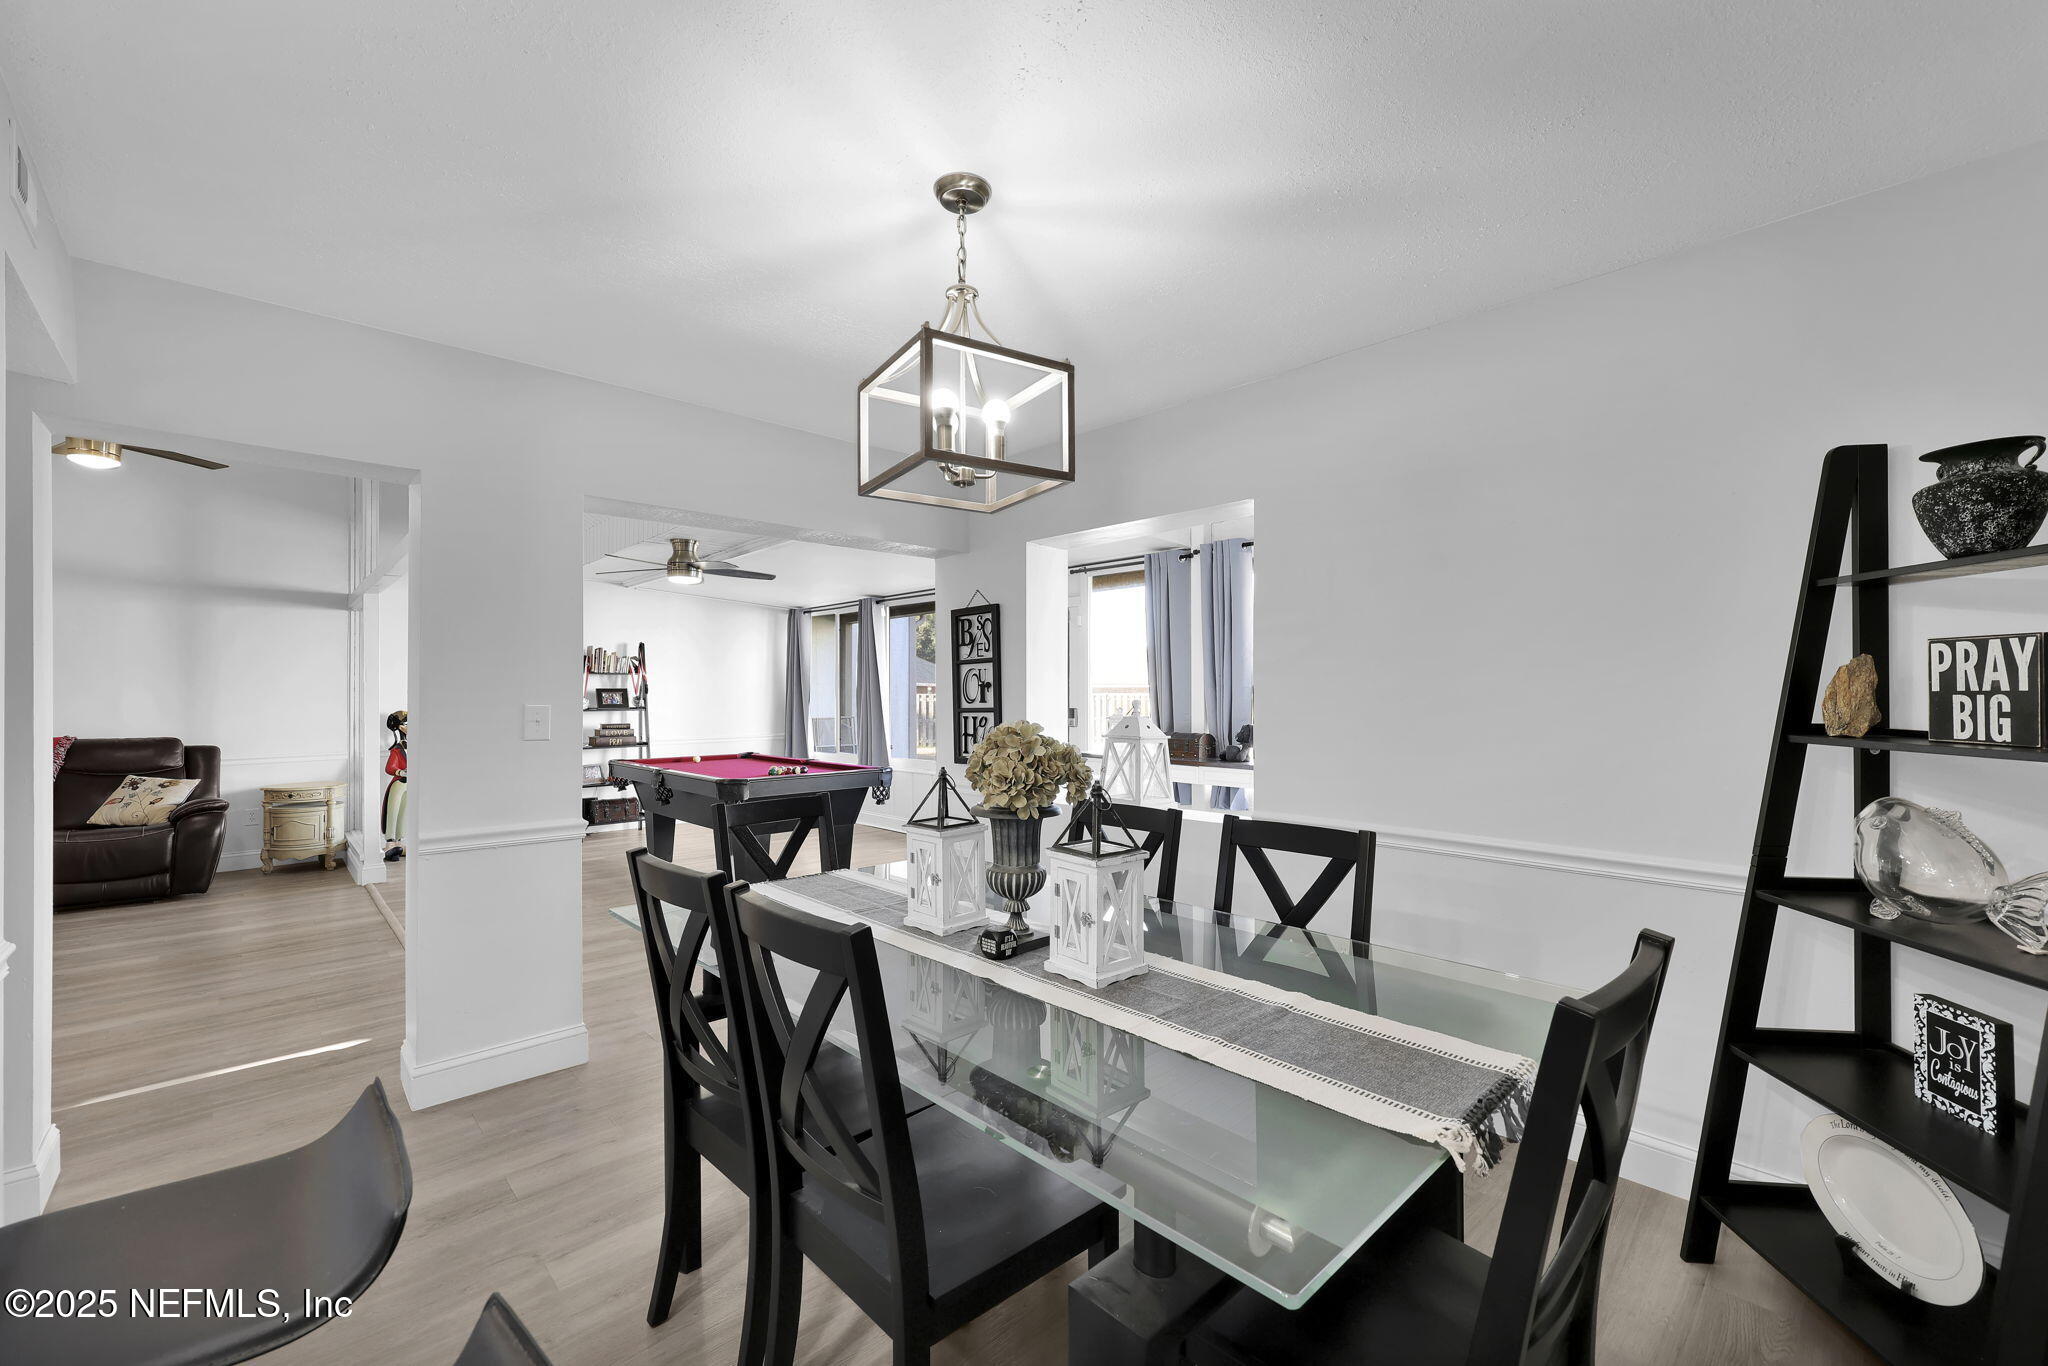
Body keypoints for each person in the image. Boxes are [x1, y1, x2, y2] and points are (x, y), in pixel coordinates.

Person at [382, 709, 408, 861]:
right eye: (405, 723)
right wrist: (401, 772)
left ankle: (400, 840)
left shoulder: (413, 746)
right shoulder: (397, 750)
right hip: (399, 783)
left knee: (404, 811)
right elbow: (389, 768)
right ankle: (390, 842)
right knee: (393, 811)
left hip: (409, 785)